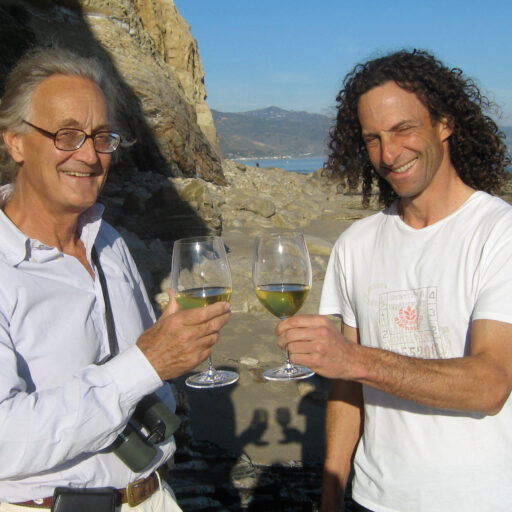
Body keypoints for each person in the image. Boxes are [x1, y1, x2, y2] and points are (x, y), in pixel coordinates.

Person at [276, 49, 512, 511]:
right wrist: (331, 496)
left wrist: (354, 359)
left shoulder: (499, 233)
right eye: (373, 139)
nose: (388, 154)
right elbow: (347, 388)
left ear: (445, 123)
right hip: (373, 499)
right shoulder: (356, 244)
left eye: (403, 129)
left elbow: (490, 384)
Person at [0, 48, 231, 511]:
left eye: (102, 137)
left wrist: (170, 353)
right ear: (16, 143)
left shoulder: (109, 241)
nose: (89, 155)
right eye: (67, 135)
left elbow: (149, 370)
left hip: (155, 497)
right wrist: (147, 362)